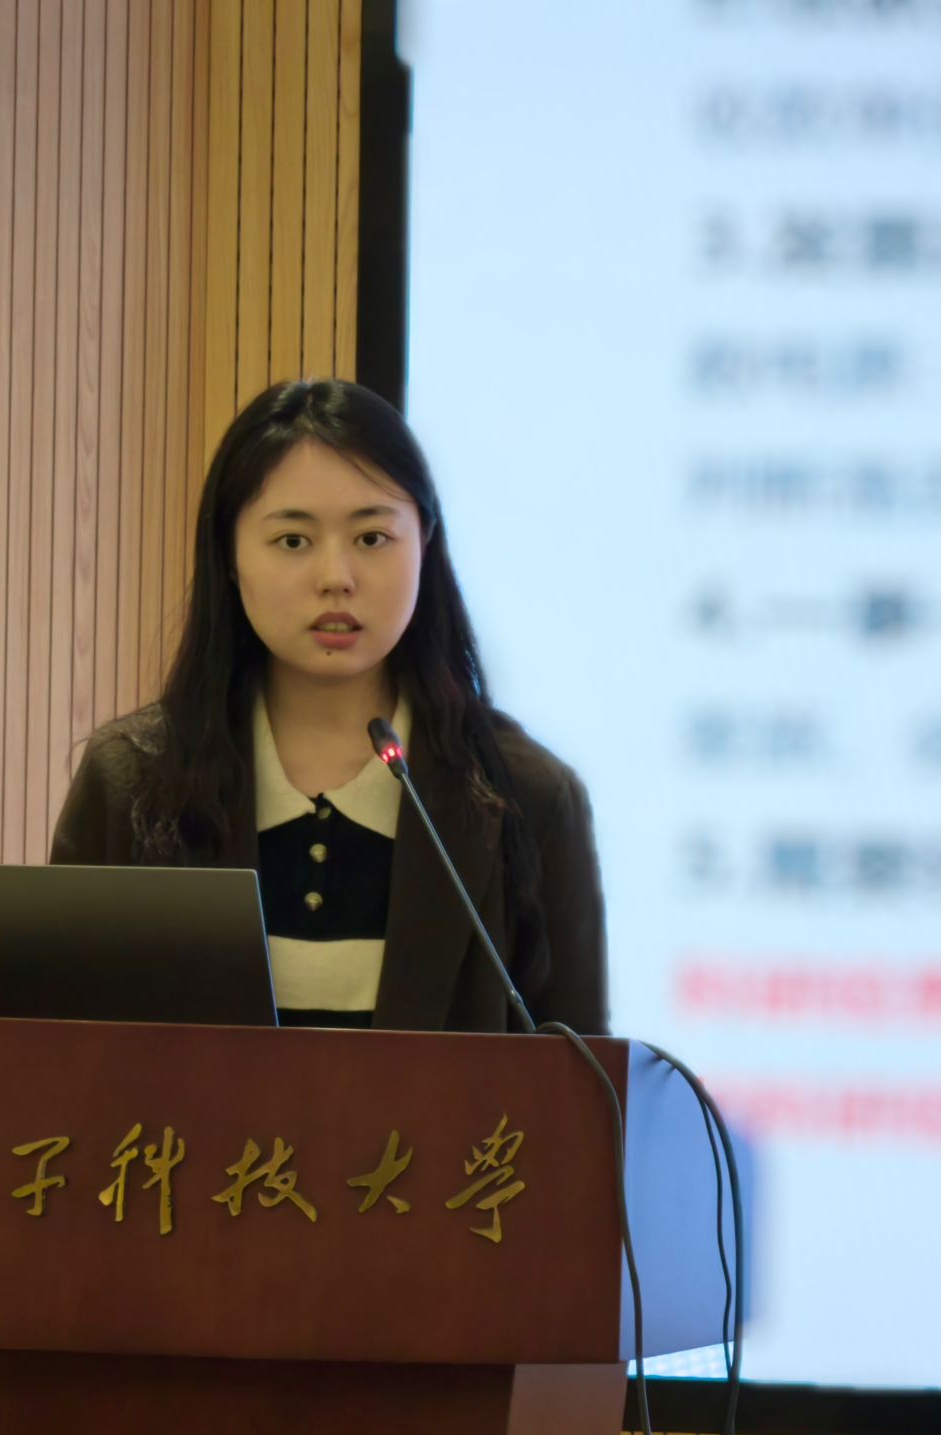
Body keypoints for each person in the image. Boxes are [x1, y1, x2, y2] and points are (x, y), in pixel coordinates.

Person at [49, 378, 607, 1035]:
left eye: (372, 538)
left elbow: (583, 1083)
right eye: (293, 541)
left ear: (425, 545)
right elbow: (57, 1056)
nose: (335, 577)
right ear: (228, 555)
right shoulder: (132, 782)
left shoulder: (528, 798)